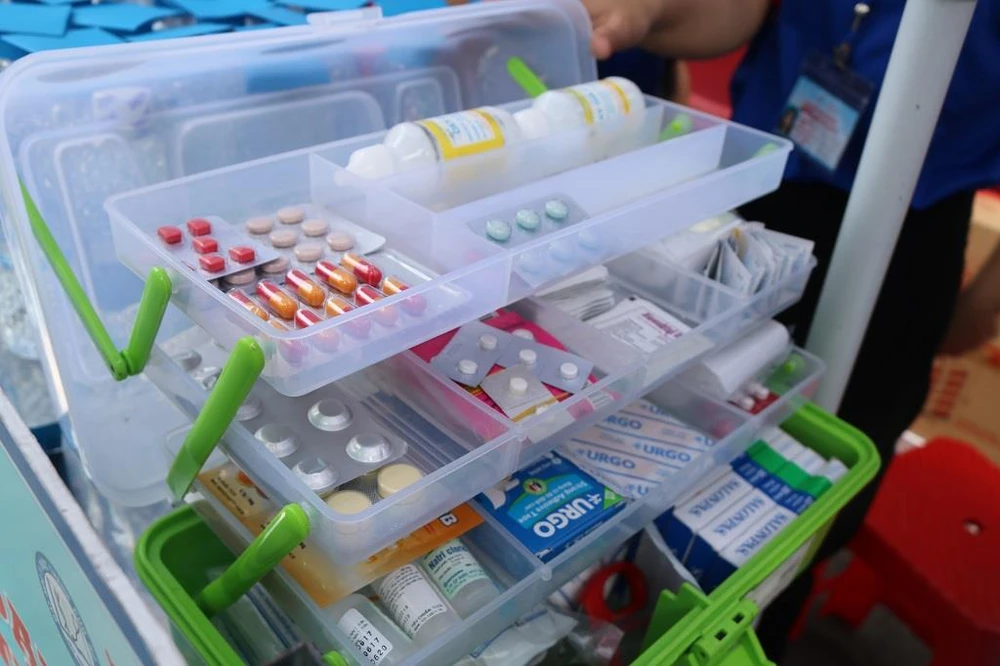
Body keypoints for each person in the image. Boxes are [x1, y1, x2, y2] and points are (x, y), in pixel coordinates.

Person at [582, 0, 1000, 659]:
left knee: (804, 507)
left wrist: (985, 302)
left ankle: (749, 632)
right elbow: (744, 10)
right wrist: (650, 14)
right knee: (678, 418)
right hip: (766, 179)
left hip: (911, 230)